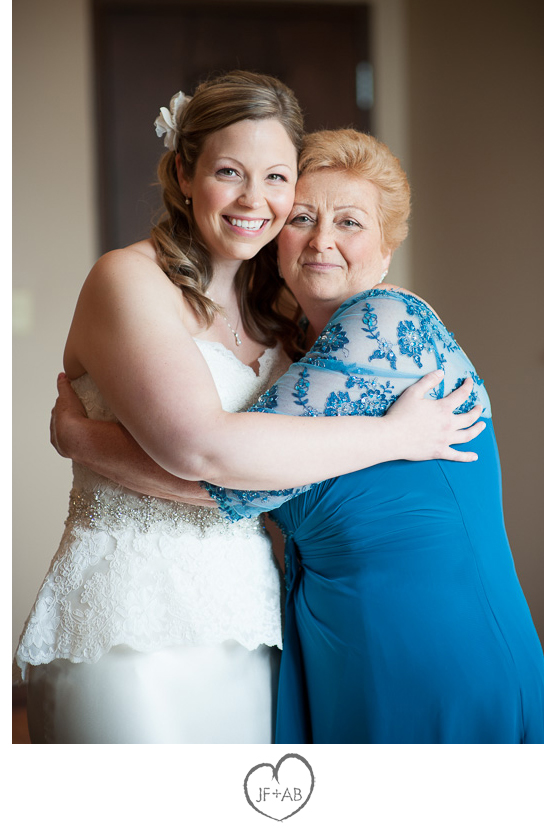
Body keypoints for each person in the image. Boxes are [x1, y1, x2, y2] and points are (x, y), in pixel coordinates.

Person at [14, 75, 483, 745]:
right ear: (184, 173)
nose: (253, 200)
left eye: (276, 178)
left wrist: (84, 440)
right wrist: (393, 435)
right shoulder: (128, 279)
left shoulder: (283, 312)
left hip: (253, 616)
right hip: (127, 615)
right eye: (229, 172)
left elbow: (291, 467)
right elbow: (204, 451)